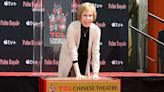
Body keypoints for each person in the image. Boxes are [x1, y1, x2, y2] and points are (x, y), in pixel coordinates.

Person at [58, 2, 101, 79]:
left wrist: (95, 73)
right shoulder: (72, 27)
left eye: (90, 15)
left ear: (93, 16)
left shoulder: (96, 30)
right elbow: (72, 50)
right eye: (85, 15)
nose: (87, 18)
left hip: (84, 59)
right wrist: (77, 73)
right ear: (80, 16)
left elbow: (95, 52)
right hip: (69, 59)